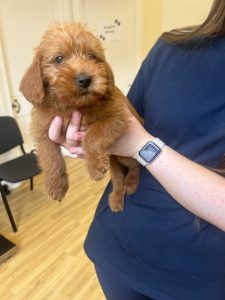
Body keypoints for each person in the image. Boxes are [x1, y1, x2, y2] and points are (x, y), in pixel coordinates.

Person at [48, 1, 225, 299]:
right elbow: (121, 119)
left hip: (200, 278)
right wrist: (81, 134)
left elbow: (132, 135)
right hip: (114, 248)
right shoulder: (170, 47)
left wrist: (141, 145)